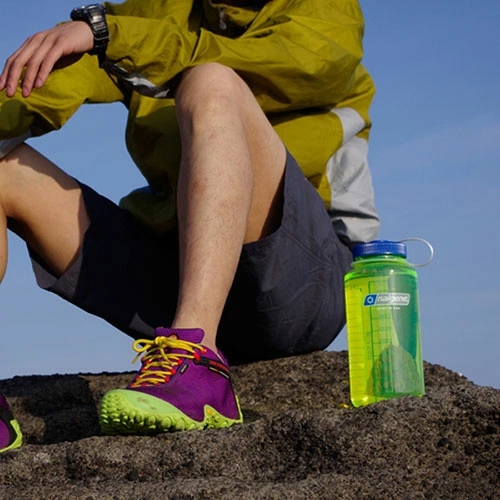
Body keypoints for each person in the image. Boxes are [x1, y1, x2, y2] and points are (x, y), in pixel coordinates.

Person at [0, 0, 379, 452]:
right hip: (172, 279)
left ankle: (196, 356)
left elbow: (289, 63)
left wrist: (112, 35)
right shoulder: (157, 11)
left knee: (211, 81)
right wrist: (105, 38)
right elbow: (44, 85)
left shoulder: (328, 11)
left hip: (298, 291)